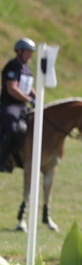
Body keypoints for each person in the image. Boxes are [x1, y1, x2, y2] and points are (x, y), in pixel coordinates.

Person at [0, 38, 37, 173]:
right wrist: (29, 99)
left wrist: (37, 96)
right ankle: (2, 159)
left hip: (22, 105)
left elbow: (28, 87)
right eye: (28, 52)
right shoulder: (13, 66)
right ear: (19, 51)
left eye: (31, 53)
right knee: (13, 128)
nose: (30, 55)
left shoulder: (26, 69)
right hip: (10, 105)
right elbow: (12, 88)